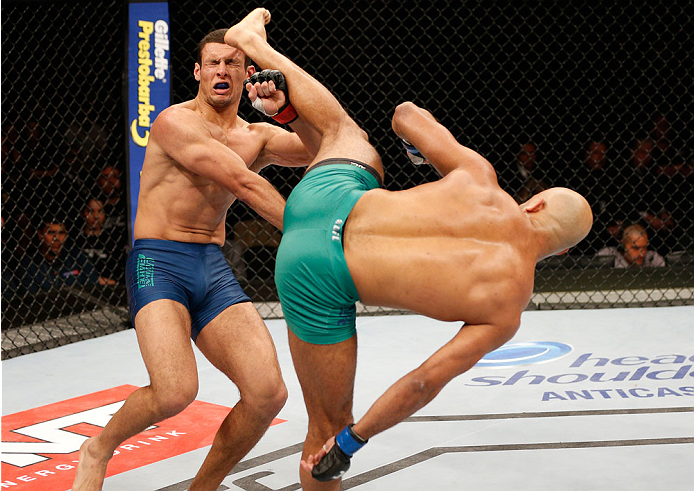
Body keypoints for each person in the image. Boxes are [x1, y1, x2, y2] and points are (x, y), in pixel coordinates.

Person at [222, 9, 593, 490]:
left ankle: (260, 48)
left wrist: (426, 156)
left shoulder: (481, 179)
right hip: (312, 277)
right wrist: (353, 440)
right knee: (323, 440)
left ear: (534, 203)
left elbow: (406, 115)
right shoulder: (508, 307)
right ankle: (333, 445)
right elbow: (424, 381)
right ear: (561, 253)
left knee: (346, 135)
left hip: (323, 196)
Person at [71, 21, 321, 491]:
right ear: (197, 71)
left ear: (248, 72)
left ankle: (202, 488)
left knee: (267, 394)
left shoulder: (256, 136)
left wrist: (286, 111)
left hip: (211, 265)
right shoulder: (173, 122)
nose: (222, 70)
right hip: (158, 262)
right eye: (213, 63)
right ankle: (98, 448)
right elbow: (243, 183)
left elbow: (328, 142)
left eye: (232, 62)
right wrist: (311, 238)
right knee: (175, 390)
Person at [596, 224, 665, 268]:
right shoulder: (609, 254)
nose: (642, 254)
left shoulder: (652, 258)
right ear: (622, 246)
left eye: (644, 247)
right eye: (636, 248)